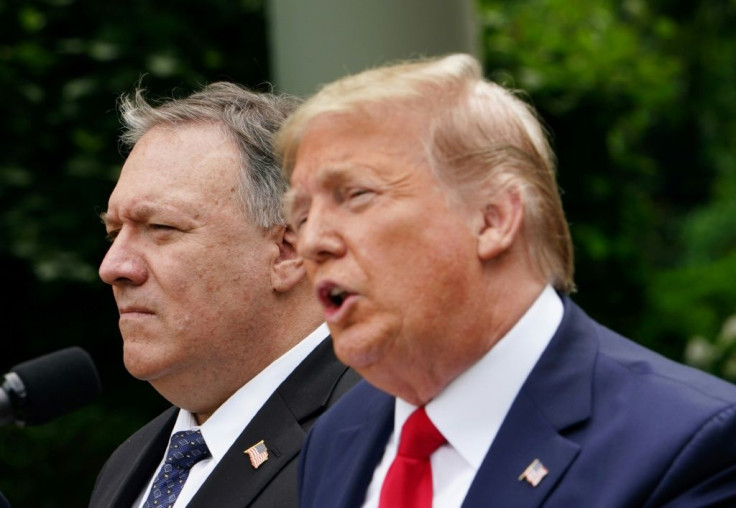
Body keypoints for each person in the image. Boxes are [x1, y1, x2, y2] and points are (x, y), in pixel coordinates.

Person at [275, 53, 736, 507]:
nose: (312, 240)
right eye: (301, 214)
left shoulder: (690, 446)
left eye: (354, 194)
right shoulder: (335, 440)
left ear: (493, 220)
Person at [88, 82, 359, 508]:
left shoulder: (377, 431)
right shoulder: (130, 463)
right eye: (114, 233)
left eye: (160, 228)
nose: (113, 267)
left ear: (289, 250)